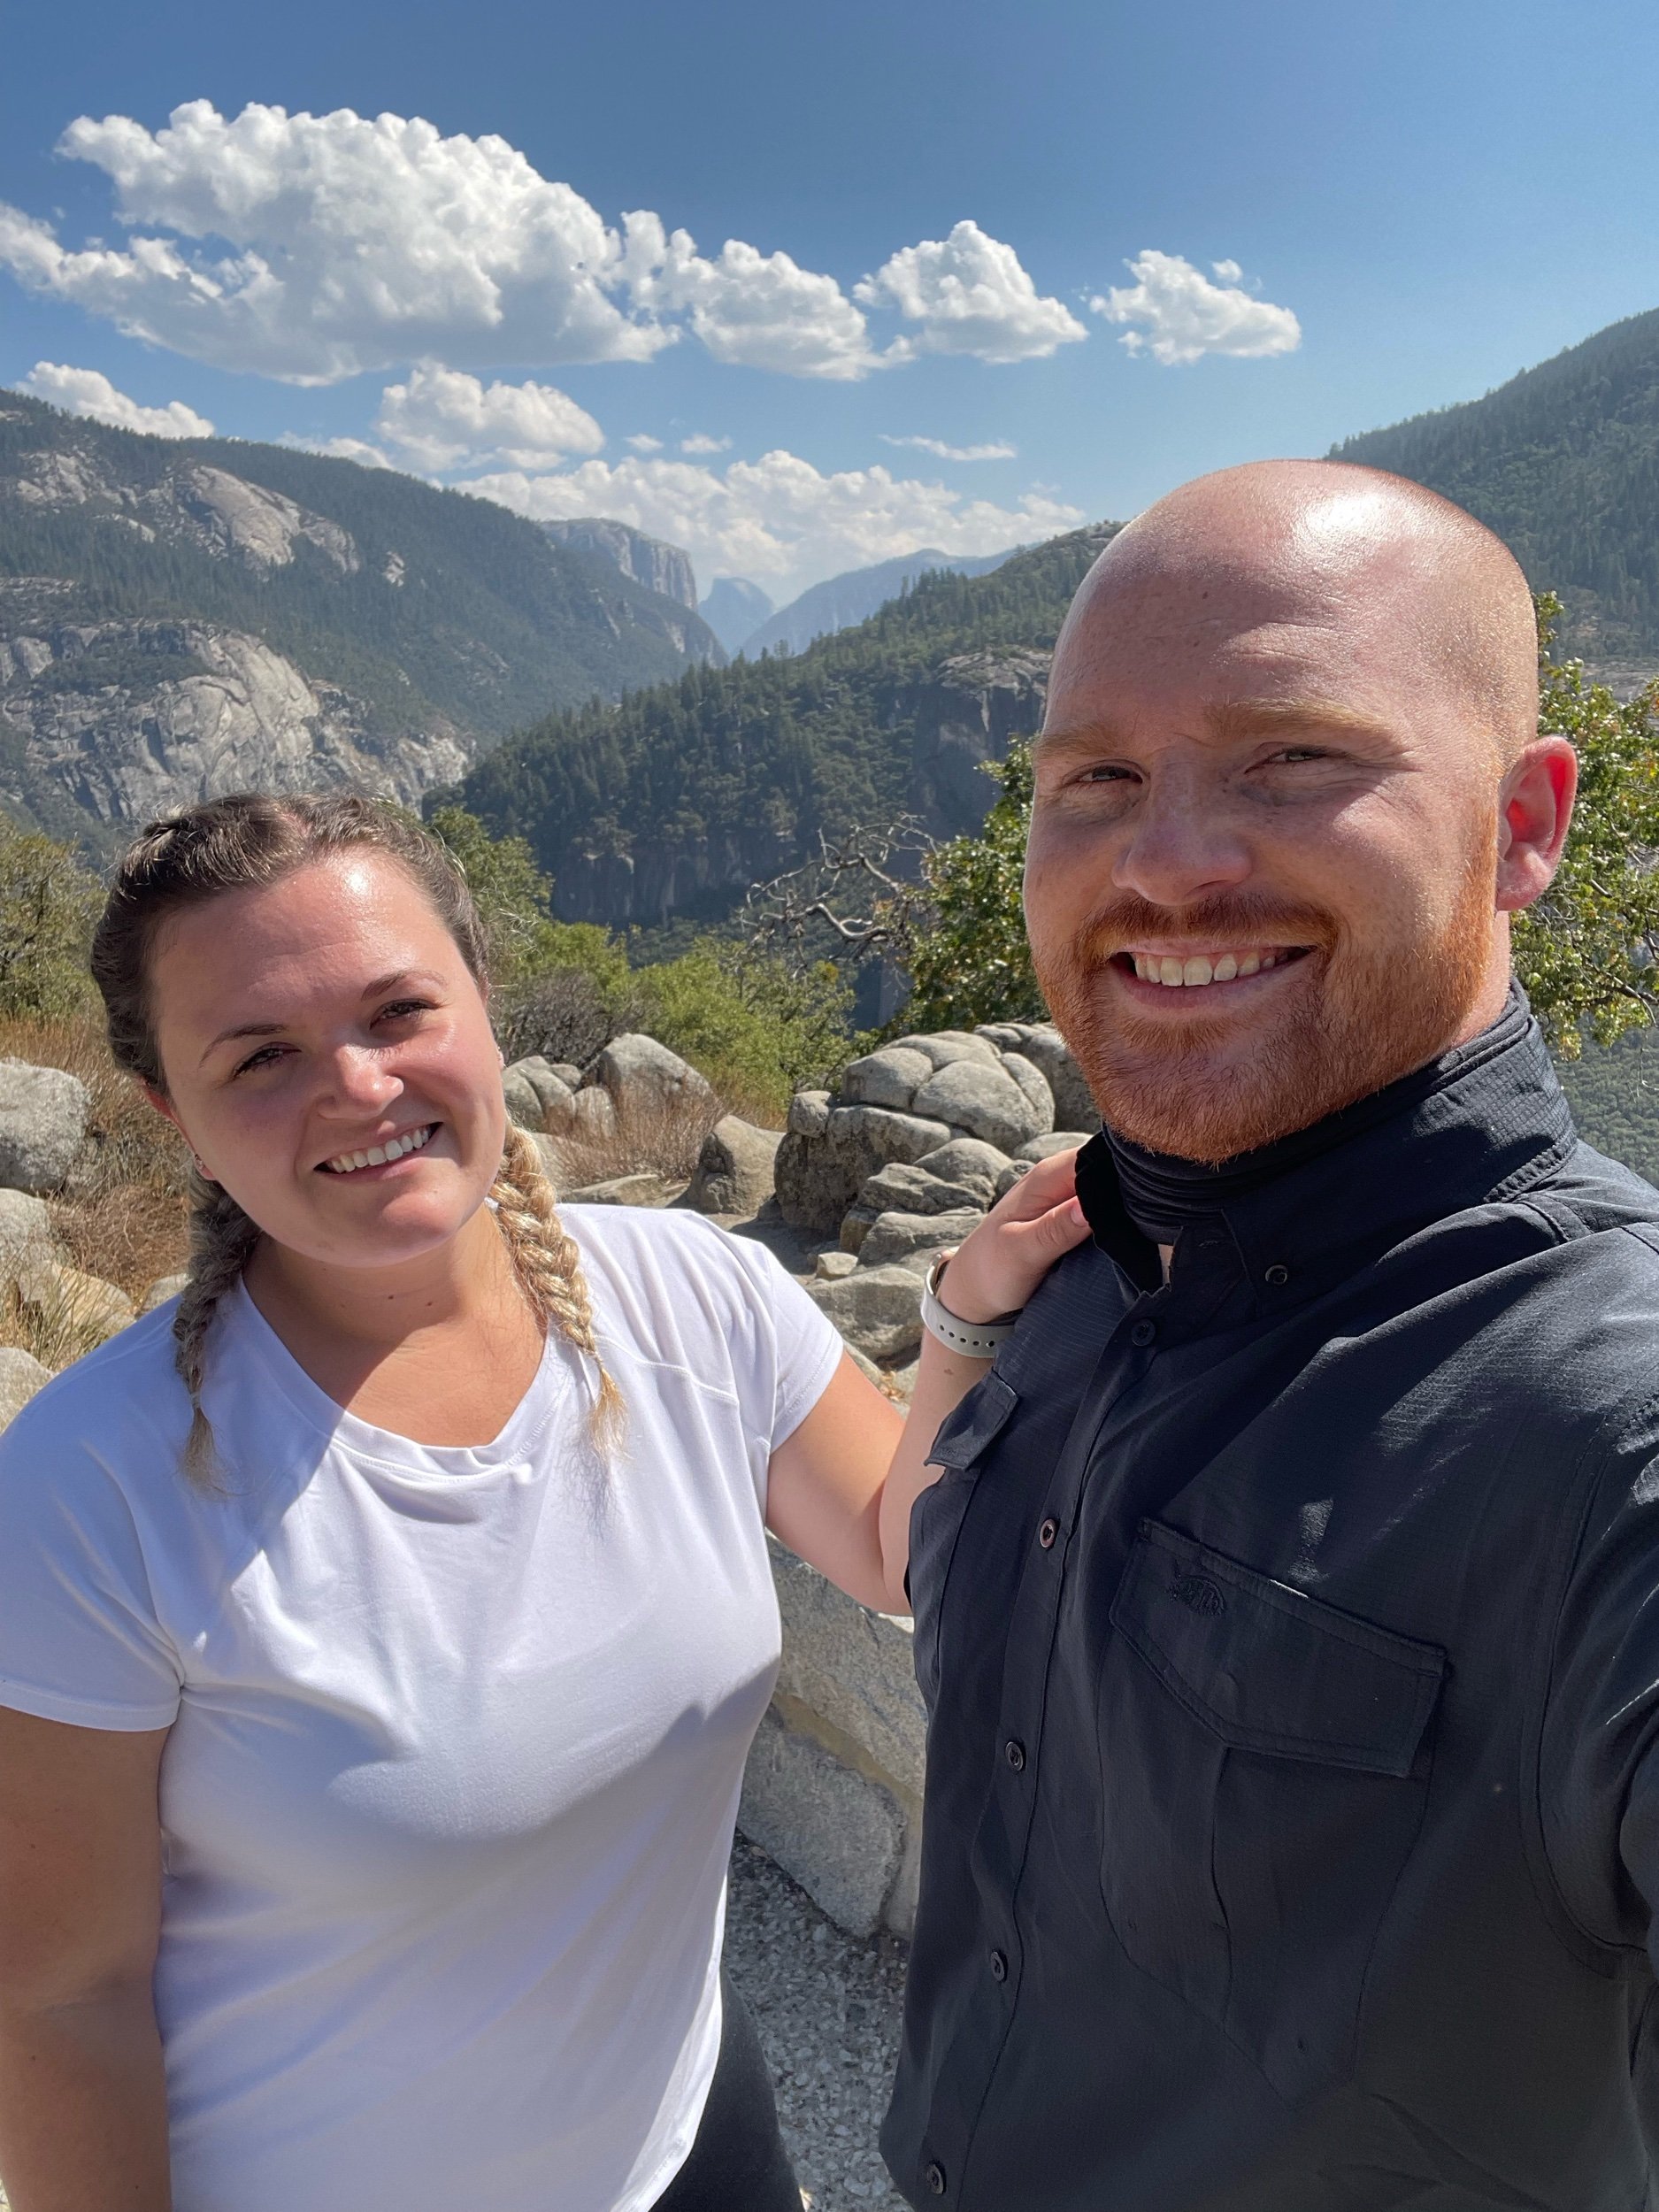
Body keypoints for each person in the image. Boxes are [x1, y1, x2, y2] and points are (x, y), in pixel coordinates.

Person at [0, 794, 1089, 2212]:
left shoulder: (694, 1297)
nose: (356, 1085)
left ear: (483, 998)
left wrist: (964, 1319)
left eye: (397, 1010)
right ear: (176, 1116)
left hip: (692, 2143)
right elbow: (61, 1995)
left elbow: (897, 1547)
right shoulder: (95, 1484)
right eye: (261, 1054)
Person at [881, 458, 1659, 2210]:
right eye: (1092, 777)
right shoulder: (1085, 1271)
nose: (1162, 865)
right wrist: (950, 1326)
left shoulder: (1605, 1421)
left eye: (1289, 756)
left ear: (1520, 823)